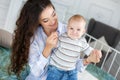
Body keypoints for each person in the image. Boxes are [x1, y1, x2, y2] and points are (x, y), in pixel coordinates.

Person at [9, 0, 102, 80]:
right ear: (38, 22)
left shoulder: (70, 30)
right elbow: (35, 73)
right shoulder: (34, 38)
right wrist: (47, 49)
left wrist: (88, 60)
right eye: (46, 20)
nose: (53, 22)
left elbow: (73, 66)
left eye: (53, 14)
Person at [46, 14, 102, 80]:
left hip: (71, 70)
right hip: (55, 68)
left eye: (78, 29)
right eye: (71, 28)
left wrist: (96, 53)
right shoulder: (62, 37)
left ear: (83, 31)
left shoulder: (82, 42)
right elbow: (53, 45)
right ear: (67, 28)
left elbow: (89, 50)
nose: (74, 32)